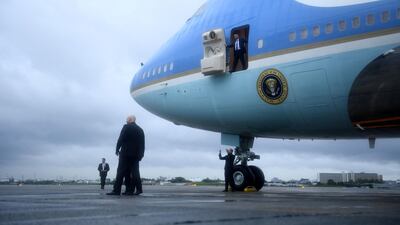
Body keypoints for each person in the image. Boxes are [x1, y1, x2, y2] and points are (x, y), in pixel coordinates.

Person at [107, 115, 145, 196]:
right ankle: (132, 190)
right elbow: (142, 144)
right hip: (135, 155)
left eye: (127, 119)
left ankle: (116, 190)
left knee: (121, 172)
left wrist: (117, 149)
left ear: (130, 119)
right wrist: (141, 155)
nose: (126, 121)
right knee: (134, 173)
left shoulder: (126, 127)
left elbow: (121, 138)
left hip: (125, 153)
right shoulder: (140, 129)